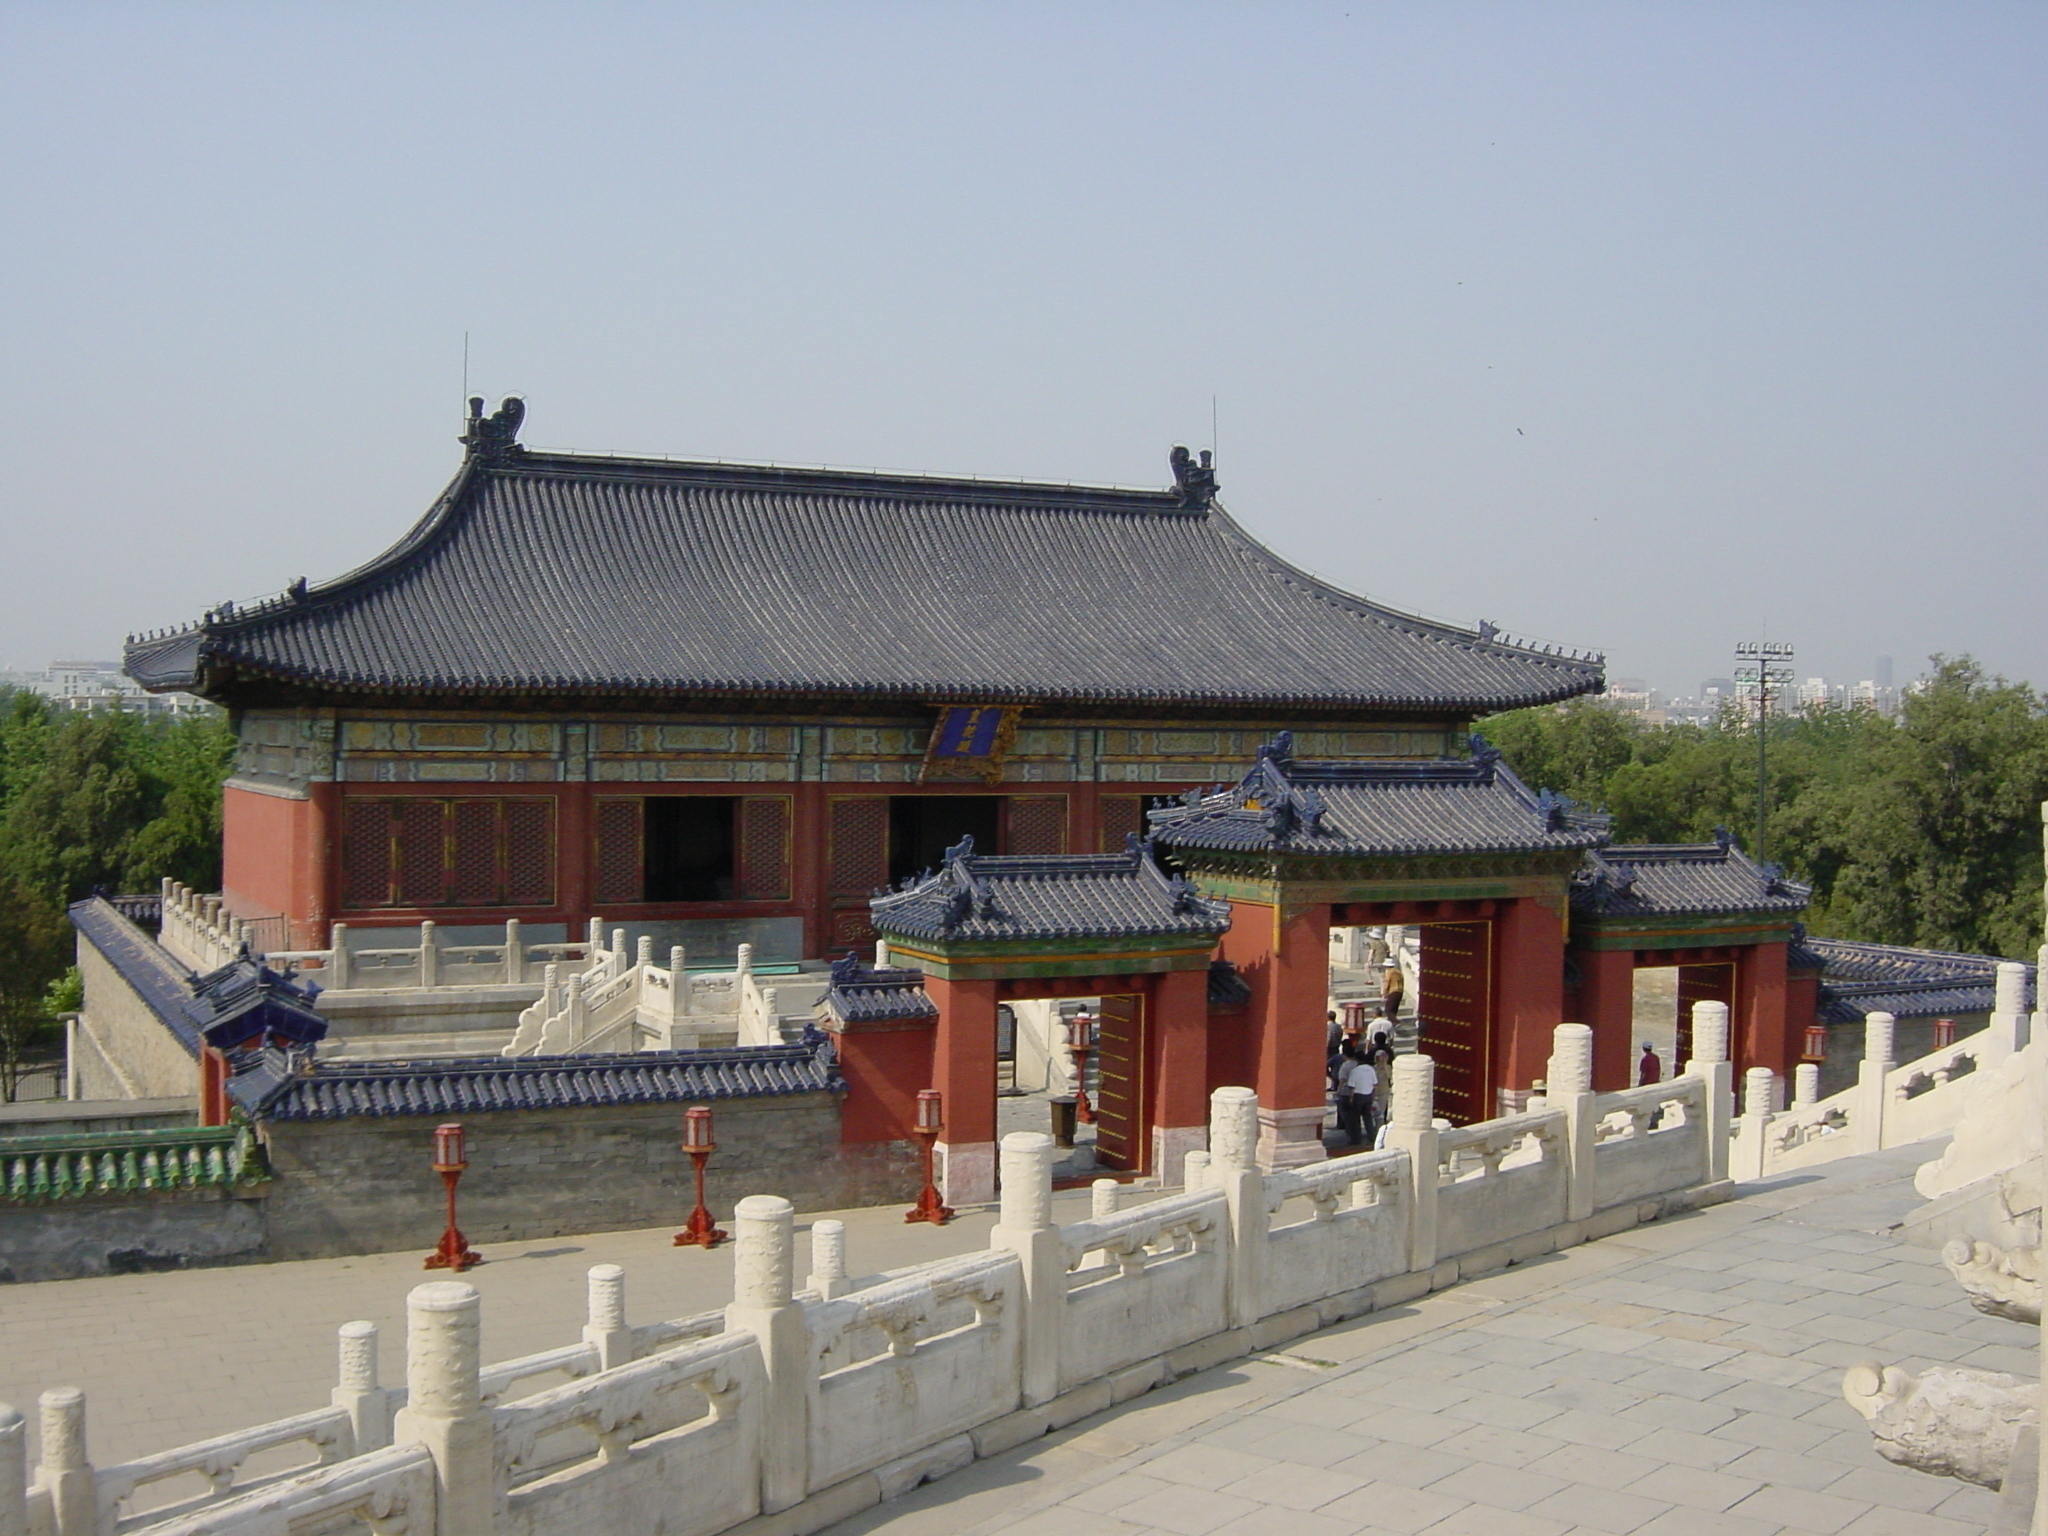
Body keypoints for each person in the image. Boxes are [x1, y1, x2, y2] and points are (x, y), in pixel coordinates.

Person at [1337, 1045, 1379, 1146]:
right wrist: (1374, 1097)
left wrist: (1351, 1099)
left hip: (1358, 1096)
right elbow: (1375, 1084)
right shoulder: (1370, 1069)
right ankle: (1372, 1137)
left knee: (1355, 1119)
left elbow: (1352, 1087)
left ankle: (1356, 1139)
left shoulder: (1355, 1071)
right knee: (1368, 1118)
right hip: (1368, 1095)